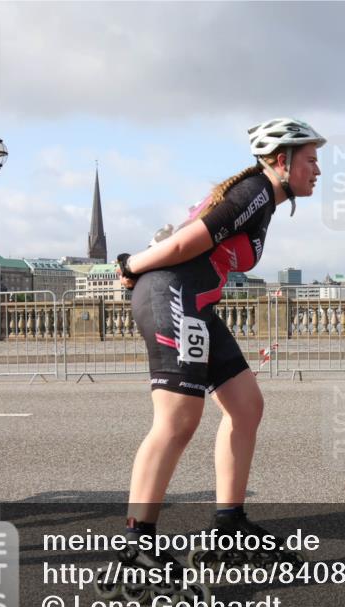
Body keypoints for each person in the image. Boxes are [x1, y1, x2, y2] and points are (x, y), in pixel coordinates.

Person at [111, 118, 324, 578]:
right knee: (177, 421)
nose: (318, 171)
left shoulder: (262, 196)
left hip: (198, 303)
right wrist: (130, 264)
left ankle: (229, 523)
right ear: (282, 161)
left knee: (246, 406)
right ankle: (136, 547)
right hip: (173, 295)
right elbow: (189, 240)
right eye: (311, 160)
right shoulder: (256, 192)